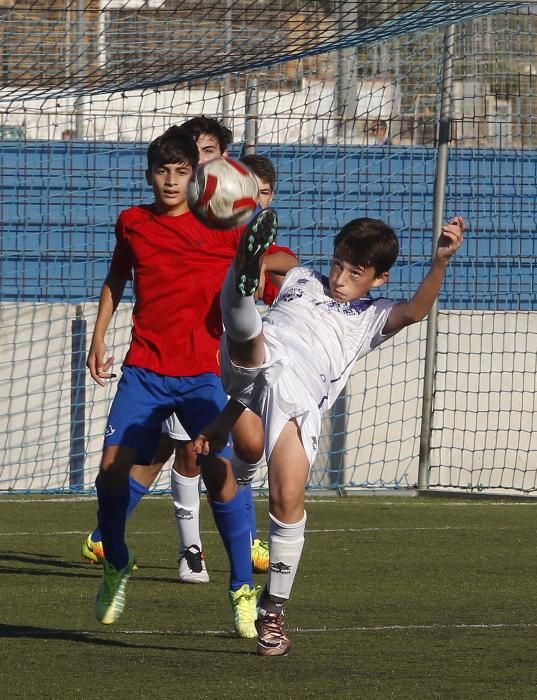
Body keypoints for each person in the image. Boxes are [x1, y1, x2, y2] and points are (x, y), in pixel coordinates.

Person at [194, 209, 465, 655]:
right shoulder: (302, 277)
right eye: (338, 263)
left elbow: (417, 310)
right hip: (263, 351)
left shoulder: (371, 316)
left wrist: (440, 261)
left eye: (354, 272)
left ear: (378, 279)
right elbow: (282, 264)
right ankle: (240, 286)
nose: (339, 277)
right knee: (250, 335)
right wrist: (259, 263)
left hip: (299, 395)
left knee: (287, 499)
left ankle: (274, 609)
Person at [86, 125, 295, 636]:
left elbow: (287, 264)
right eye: (163, 171)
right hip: (145, 369)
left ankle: (242, 589)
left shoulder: (225, 226)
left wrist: (254, 256)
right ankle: (117, 560)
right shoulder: (132, 222)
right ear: (150, 175)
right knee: (110, 473)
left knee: (220, 474)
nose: (171, 181)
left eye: (181, 171)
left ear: (196, 175)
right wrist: (98, 338)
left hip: (205, 373)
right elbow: (117, 277)